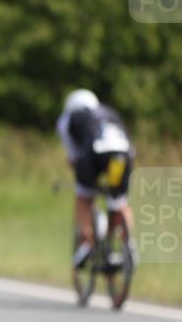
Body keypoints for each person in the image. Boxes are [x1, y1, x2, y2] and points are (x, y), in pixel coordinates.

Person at [56, 89, 136, 268]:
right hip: (121, 157)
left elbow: (73, 156)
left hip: (93, 156)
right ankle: (129, 245)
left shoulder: (69, 117)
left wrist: (83, 176)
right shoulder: (110, 114)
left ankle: (86, 244)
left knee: (84, 197)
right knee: (118, 202)